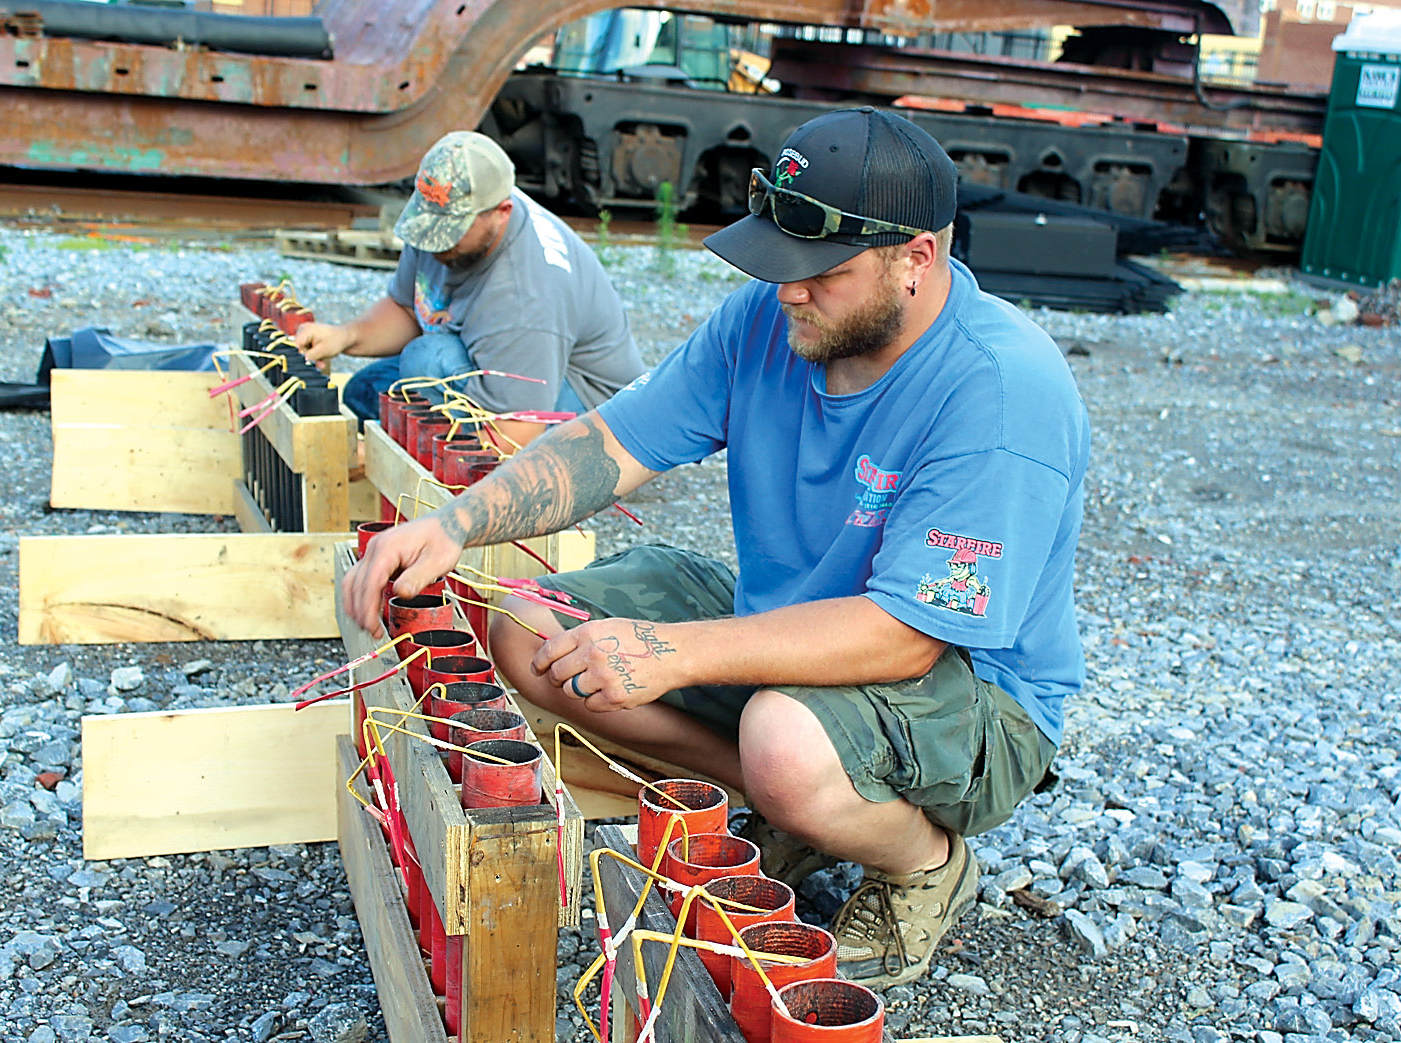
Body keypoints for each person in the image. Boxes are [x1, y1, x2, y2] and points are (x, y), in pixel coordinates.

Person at [343, 107, 1089, 987]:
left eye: (823, 271)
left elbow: (907, 633)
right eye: (779, 265)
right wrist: (454, 522)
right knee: (527, 629)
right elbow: (612, 444)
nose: (788, 292)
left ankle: (921, 862)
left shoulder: (1001, 389)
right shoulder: (769, 322)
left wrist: (674, 651)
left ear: (916, 257)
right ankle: (799, 807)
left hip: (975, 696)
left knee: (782, 739)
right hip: (801, 628)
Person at [294, 130, 645, 449]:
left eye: (450, 232)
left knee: (425, 359)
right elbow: (408, 309)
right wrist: (345, 336)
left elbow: (514, 435)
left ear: (502, 212)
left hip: (586, 415)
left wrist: (385, 455)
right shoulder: (441, 216)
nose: (433, 245)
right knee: (365, 393)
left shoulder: (525, 296)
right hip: (501, 363)